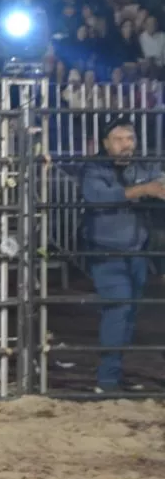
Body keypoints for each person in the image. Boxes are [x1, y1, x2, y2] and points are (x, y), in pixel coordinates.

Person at [80, 116, 164, 393]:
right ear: (105, 143)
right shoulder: (94, 168)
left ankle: (114, 375)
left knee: (129, 312)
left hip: (137, 251)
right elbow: (97, 197)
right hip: (107, 252)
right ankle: (107, 379)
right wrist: (144, 190)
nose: (125, 144)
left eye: (130, 139)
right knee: (119, 309)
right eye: (118, 139)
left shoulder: (141, 166)